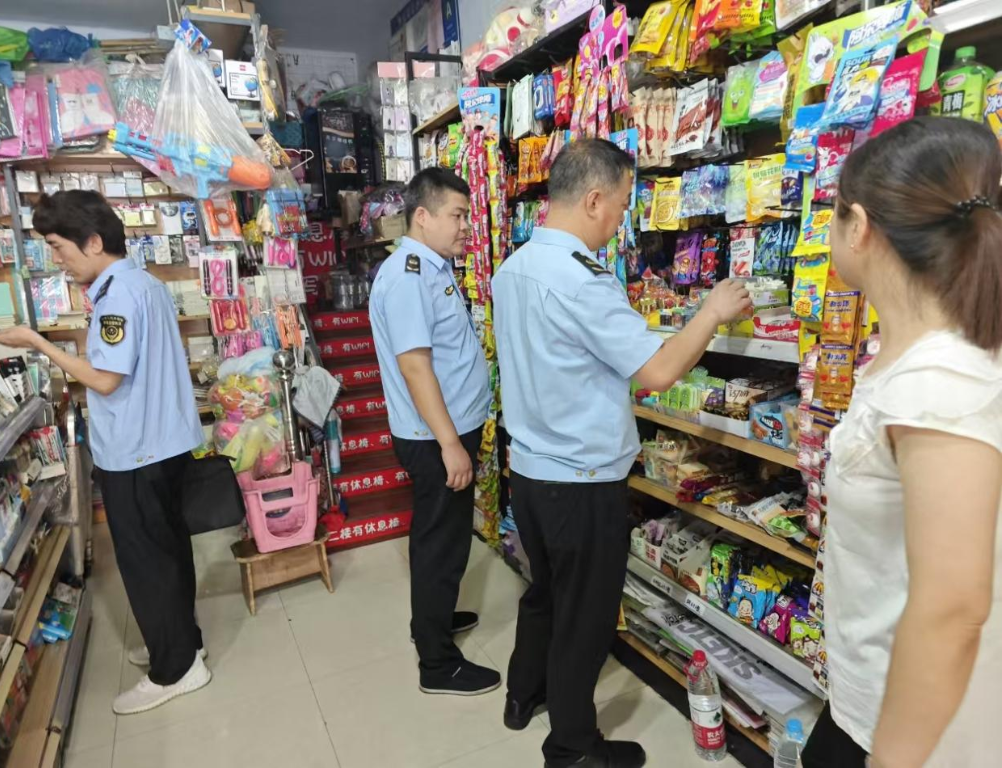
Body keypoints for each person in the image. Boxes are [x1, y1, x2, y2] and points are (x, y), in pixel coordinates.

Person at [492, 139, 751, 768]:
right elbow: (656, 372)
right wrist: (711, 312)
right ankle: (573, 748)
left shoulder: (513, 268)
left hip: (530, 472)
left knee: (546, 591)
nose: (622, 218)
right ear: (593, 199)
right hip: (580, 482)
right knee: (585, 617)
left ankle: (524, 694)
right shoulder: (582, 280)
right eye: (623, 202)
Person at [801, 118, 1002, 768]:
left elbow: (953, 607)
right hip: (880, 701)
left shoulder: (937, 384)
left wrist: (893, 756)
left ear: (858, 225)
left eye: (832, 213)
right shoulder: (932, 360)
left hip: (913, 730)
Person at [0, 191, 208, 715]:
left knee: (146, 562)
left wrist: (38, 343)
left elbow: (106, 379)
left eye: (58, 247)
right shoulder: (144, 283)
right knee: (168, 552)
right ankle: (183, 642)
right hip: (164, 443)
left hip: (136, 451)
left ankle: (176, 669)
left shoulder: (117, 297)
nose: (57, 259)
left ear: (91, 242)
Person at [369, 168, 499, 696]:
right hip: (435, 438)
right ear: (422, 216)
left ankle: (433, 621)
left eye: (467, 215)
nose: (466, 226)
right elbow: (415, 366)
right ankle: (437, 663)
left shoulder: (430, 267)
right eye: (457, 215)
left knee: (441, 538)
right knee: (441, 546)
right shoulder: (408, 276)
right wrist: (449, 444)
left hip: (447, 431)